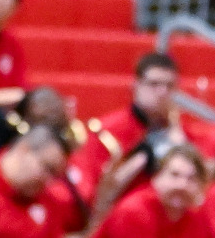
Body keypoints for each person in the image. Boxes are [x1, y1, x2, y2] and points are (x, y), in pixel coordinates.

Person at [70, 54, 189, 209]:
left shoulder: (180, 133)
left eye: (169, 86)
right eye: (154, 84)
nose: (162, 92)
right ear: (136, 85)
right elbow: (89, 194)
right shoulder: (105, 132)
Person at [91, 148, 215, 238]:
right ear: (156, 177)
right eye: (174, 175)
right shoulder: (134, 212)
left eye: (191, 179)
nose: (182, 185)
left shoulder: (197, 217)